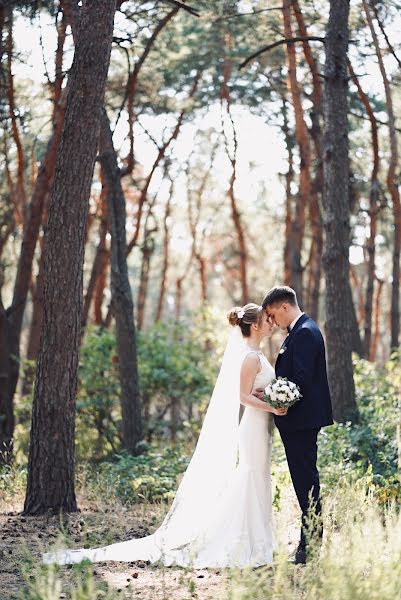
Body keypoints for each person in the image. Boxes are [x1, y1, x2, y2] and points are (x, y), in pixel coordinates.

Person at [43, 303, 286, 569]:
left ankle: (257, 539)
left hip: (260, 425)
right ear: (254, 325)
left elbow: (252, 391)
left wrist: (268, 396)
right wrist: (272, 405)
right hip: (252, 426)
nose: (271, 323)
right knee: (250, 474)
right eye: (266, 320)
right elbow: (242, 396)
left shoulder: (255, 354)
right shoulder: (250, 357)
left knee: (258, 475)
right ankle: (240, 541)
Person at [261, 286, 333, 565]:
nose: (272, 321)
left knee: (306, 484)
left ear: (283, 307)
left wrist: (274, 399)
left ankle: (310, 547)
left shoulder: (304, 332)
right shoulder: (301, 330)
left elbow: (299, 382)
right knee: (304, 482)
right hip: (299, 422)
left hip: (301, 423)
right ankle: (308, 543)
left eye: (272, 314)